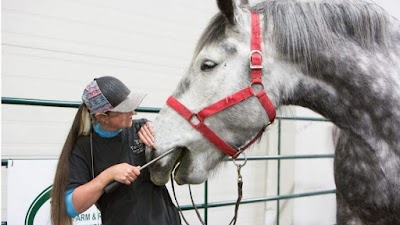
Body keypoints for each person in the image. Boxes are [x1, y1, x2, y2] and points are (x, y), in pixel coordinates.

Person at [50, 76, 181, 225]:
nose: (133, 113)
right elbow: (71, 206)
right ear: (102, 117)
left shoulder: (142, 129)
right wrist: (108, 176)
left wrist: (159, 133)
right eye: (125, 109)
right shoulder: (84, 148)